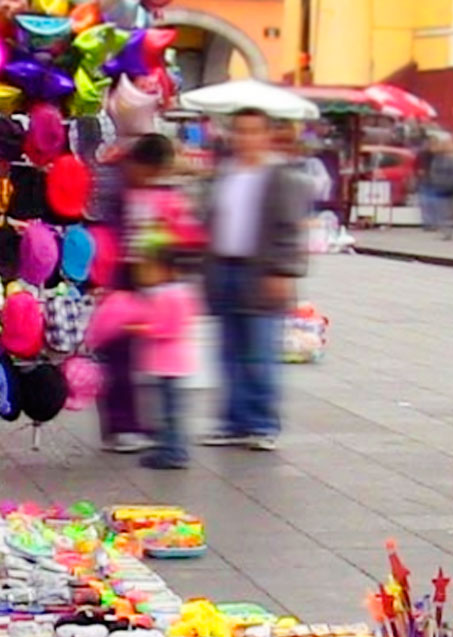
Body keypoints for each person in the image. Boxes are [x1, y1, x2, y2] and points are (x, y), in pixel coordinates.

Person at [201, 108, 309, 451]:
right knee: (228, 353)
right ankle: (233, 421)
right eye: (241, 132)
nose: (246, 139)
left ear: (266, 135)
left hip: (261, 272)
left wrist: (283, 271)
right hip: (225, 269)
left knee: (259, 354)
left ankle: (262, 423)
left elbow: (290, 229)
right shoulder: (225, 173)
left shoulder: (279, 176)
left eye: (253, 132)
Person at [93, 134, 205, 467]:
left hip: (147, 280)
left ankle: (159, 438)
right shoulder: (117, 187)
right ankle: (128, 426)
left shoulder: (162, 197)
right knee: (120, 359)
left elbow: (184, 238)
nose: (150, 179)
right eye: (149, 172)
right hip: (127, 278)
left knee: (146, 369)